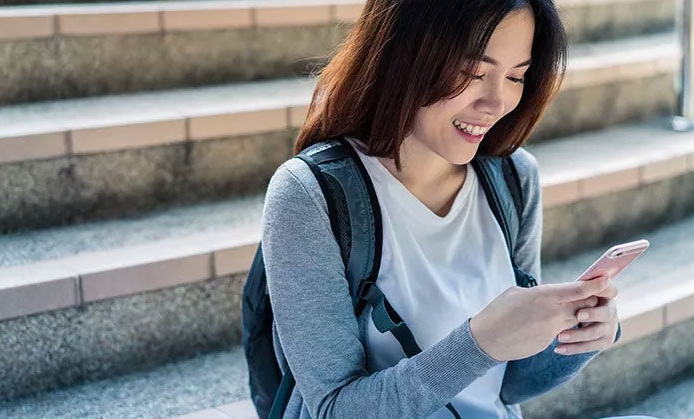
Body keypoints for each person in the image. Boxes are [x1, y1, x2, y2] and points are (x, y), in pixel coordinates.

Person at [260, 1, 648, 418]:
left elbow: (507, 384)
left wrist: (579, 337)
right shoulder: (312, 194)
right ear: (405, 55)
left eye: (516, 76)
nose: (497, 102)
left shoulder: (512, 180)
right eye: (475, 73)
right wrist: (479, 342)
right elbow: (335, 408)